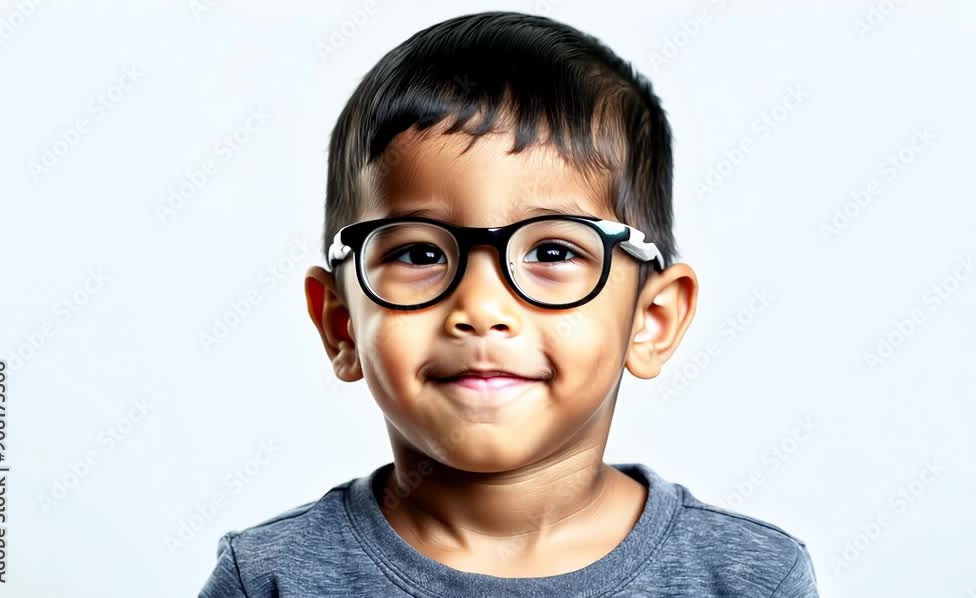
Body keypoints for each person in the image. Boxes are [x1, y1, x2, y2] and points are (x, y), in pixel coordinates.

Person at [199, 10, 819, 597]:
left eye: (552, 252)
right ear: (340, 323)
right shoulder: (271, 580)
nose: (482, 307)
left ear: (651, 319)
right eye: (418, 254)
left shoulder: (748, 579)